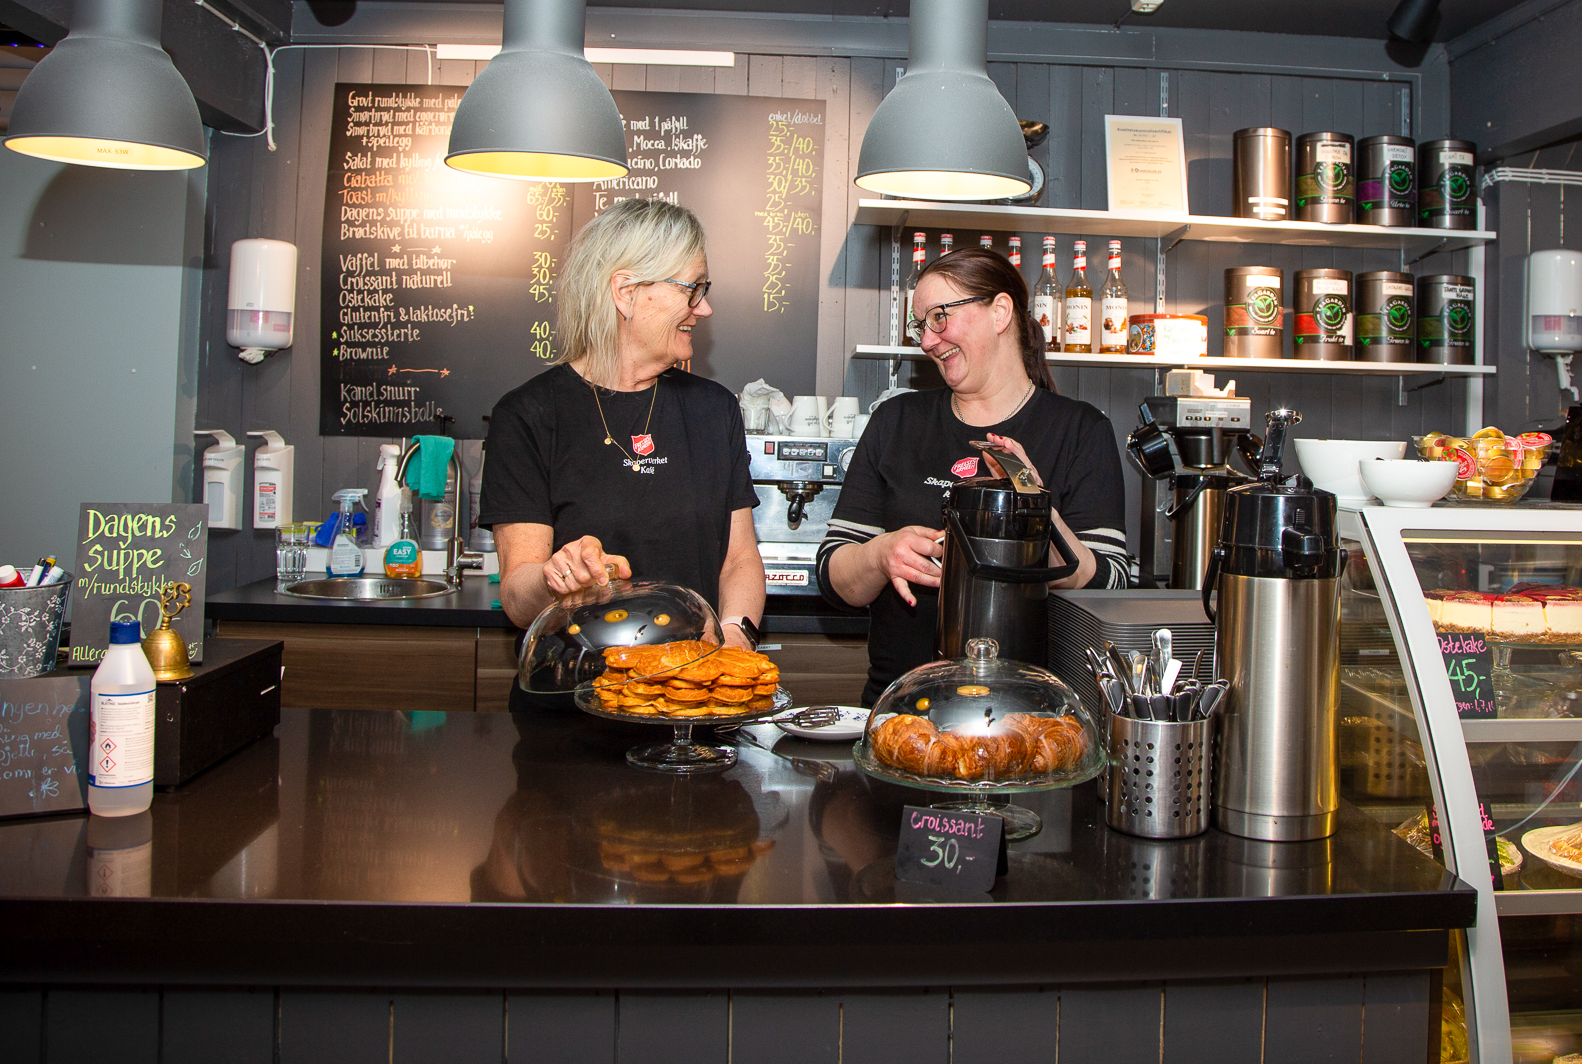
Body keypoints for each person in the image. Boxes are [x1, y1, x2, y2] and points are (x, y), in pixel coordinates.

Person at [481, 199, 765, 709]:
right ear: (627, 292)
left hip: (690, 709)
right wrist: (556, 579)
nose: (704, 308)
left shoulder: (714, 410)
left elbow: (739, 559)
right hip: (571, 707)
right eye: (692, 289)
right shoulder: (528, 415)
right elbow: (520, 596)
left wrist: (734, 637)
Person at [818, 246, 1130, 703]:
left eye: (940, 317)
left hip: (1031, 719)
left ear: (1000, 312)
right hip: (899, 714)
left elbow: (1112, 582)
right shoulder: (896, 421)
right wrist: (881, 554)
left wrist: (1030, 508)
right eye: (920, 324)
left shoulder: (1080, 430)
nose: (926, 341)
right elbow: (832, 572)